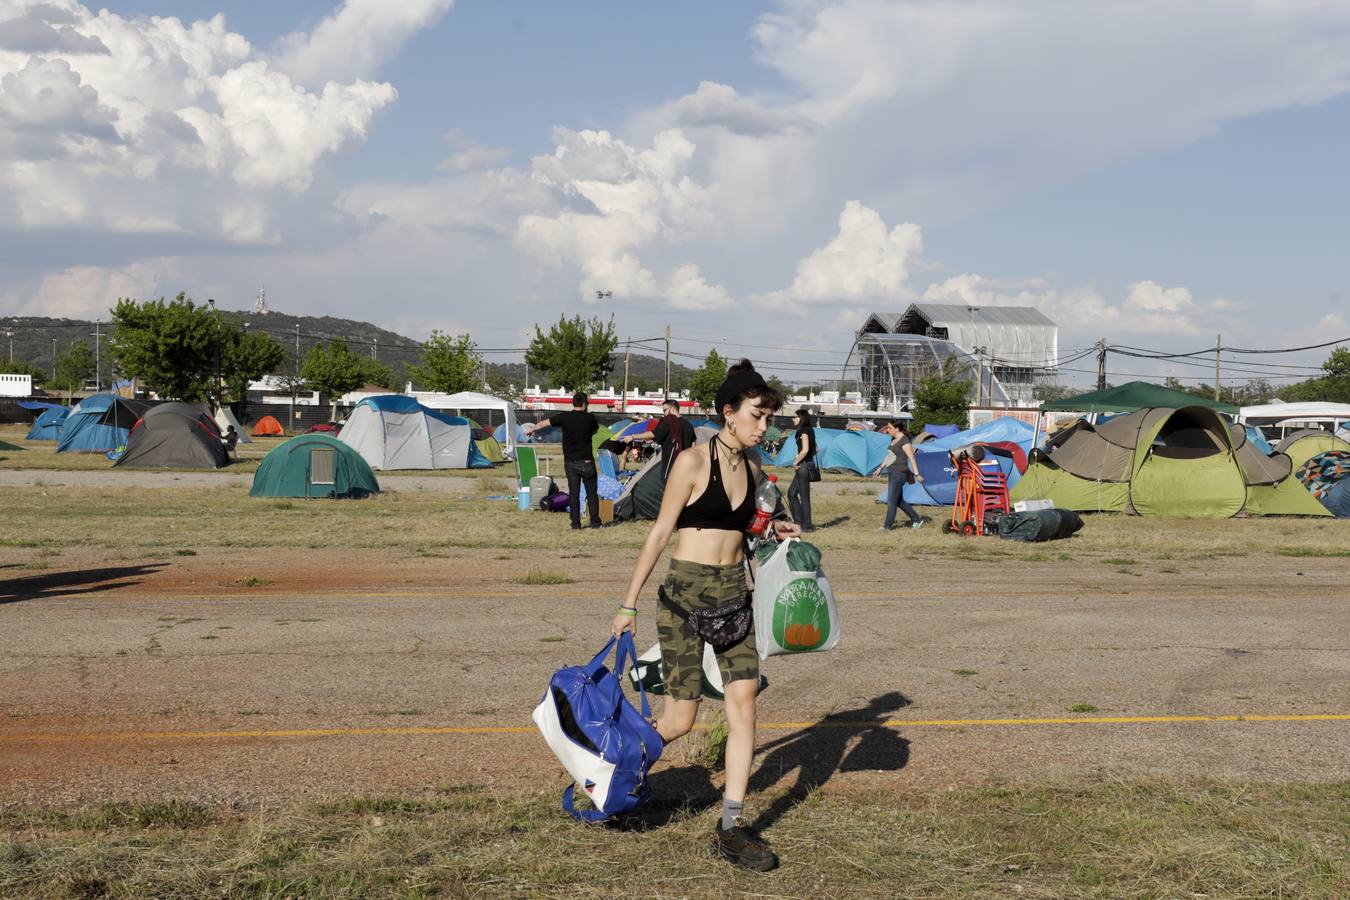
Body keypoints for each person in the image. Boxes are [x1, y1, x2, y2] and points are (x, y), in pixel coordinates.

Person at [613, 360, 799, 872]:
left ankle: (731, 827)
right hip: (684, 597)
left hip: (735, 596)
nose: (764, 427)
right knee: (681, 717)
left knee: (745, 711)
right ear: (728, 413)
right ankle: (612, 773)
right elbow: (659, 534)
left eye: (767, 418)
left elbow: (750, 527)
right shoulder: (692, 462)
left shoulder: (757, 468)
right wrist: (628, 604)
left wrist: (774, 530)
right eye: (757, 416)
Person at [527, 392, 601, 529]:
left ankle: (575, 523)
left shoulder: (564, 417)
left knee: (574, 493)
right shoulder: (590, 418)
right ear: (585, 404)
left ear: (573, 403)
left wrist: (532, 430)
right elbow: (595, 431)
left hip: (570, 462)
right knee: (591, 493)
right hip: (586, 461)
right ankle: (595, 522)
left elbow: (544, 423)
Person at [623, 398, 695, 479]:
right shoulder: (689, 425)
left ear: (672, 409)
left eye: (664, 410)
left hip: (671, 465)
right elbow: (693, 445)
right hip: (686, 466)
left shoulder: (669, 421)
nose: (664, 414)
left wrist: (633, 436)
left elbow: (653, 434)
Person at [878, 418, 924, 530]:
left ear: (897, 428)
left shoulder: (904, 441)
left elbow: (911, 458)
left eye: (890, 428)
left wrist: (917, 474)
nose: (888, 430)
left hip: (900, 473)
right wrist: (880, 467)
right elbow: (889, 455)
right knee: (899, 501)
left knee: (891, 500)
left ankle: (887, 526)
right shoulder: (893, 440)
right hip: (892, 472)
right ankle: (917, 520)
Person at [787, 407, 816, 531]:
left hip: (803, 466)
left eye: (795, 417)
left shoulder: (804, 431)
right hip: (805, 464)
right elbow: (816, 449)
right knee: (791, 493)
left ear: (801, 418)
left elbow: (805, 450)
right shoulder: (809, 430)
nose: (793, 419)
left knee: (804, 497)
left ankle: (806, 526)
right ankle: (798, 522)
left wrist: (796, 461)